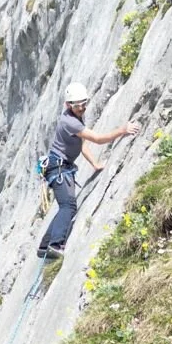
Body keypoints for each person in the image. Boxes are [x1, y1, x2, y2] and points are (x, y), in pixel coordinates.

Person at [36, 82, 139, 257]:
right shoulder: (70, 122)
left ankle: (45, 247)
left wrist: (95, 164)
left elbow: (82, 145)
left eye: (84, 103)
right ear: (68, 105)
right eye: (78, 105)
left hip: (60, 166)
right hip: (58, 167)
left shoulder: (75, 117)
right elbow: (97, 139)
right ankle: (54, 245)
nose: (82, 108)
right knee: (68, 206)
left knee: (65, 206)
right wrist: (122, 130)